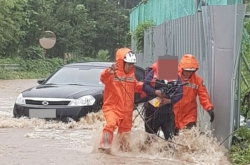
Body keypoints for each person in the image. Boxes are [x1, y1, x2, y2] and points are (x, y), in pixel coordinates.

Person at [98, 47, 145, 152]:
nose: (131, 66)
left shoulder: (131, 75)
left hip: (127, 110)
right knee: (110, 125)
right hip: (112, 107)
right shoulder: (111, 73)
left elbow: (135, 86)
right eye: (129, 64)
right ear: (122, 62)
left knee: (125, 134)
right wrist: (108, 72)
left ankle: (122, 154)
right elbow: (103, 78)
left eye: (132, 64)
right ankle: (104, 148)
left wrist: (144, 86)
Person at [173, 54, 215, 134]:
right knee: (172, 138)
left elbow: (203, 96)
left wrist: (209, 108)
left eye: (191, 71)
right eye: (186, 71)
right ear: (181, 69)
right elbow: (160, 89)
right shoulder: (173, 76)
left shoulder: (198, 80)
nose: (188, 73)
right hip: (173, 113)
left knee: (190, 136)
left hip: (189, 114)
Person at [142, 62, 183, 141]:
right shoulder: (152, 73)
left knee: (171, 141)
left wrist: (170, 101)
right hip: (152, 112)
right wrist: (155, 92)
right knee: (150, 140)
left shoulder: (177, 77)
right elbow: (144, 86)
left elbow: (180, 93)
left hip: (168, 113)